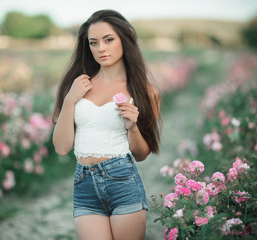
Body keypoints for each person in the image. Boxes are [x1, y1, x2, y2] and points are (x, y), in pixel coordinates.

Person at [52, 9, 161, 240]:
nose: (101, 48)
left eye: (108, 40)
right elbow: (62, 147)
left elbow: (142, 154)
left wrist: (132, 127)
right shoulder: (77, 87)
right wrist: (70, 99)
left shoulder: (144, 92)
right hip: (84, 185)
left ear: (125, 39)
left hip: (122, 181)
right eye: (93, 42)